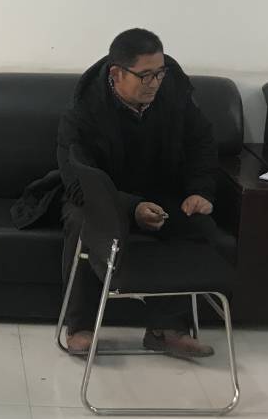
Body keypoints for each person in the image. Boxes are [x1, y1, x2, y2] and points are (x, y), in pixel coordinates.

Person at [57, 27, 223, 357]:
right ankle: (80, 327)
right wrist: (132, 207)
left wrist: (200, 190)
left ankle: (168, 329)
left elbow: (202, 143)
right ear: (116, 74)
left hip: (161, 193)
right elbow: (77, 181)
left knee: (196, 224)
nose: (155, 83)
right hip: (100, 197)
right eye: (145, 76)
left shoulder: (175, 97)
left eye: (160, 73)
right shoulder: (84, 111)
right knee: (82, 224)